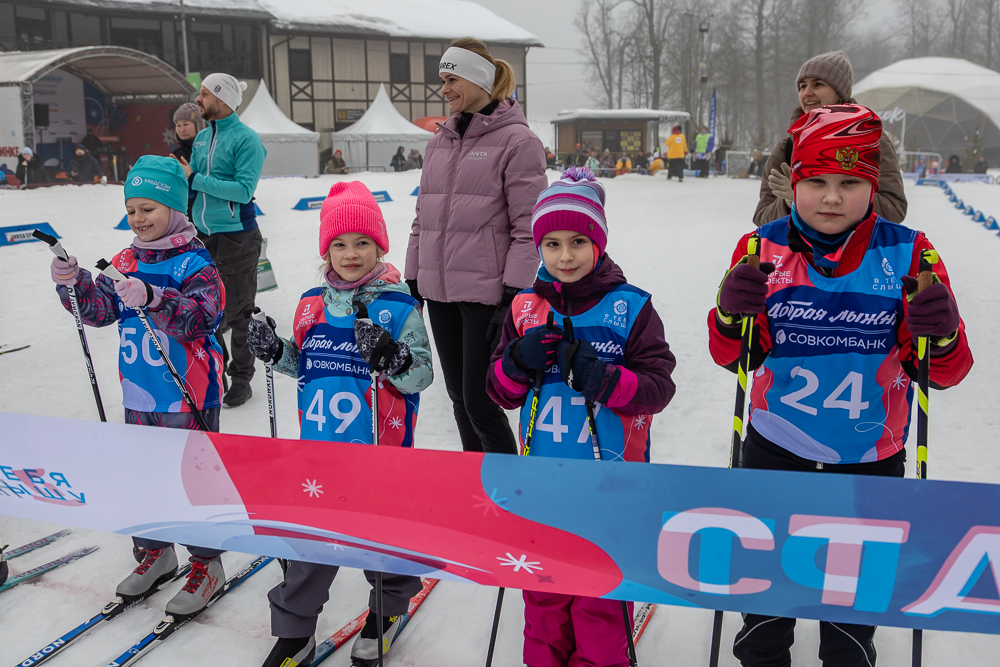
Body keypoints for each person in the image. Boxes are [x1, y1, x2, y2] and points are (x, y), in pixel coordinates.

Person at [708, 105, 973, 667]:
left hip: (871, 455)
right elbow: (732, 356)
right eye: (816, 182)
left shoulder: (910, 253)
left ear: (872, 187)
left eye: (849, 183)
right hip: (776, 448)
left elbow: (944, 371)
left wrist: (941, 330)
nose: (831, 198)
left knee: (853, 604)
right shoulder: (759, 249)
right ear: (794, 183)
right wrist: (730, 314)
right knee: (765, 593)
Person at [486, 167, 676, 667]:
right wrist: (516, 363)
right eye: (551, 244)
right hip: (542, 483)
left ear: (599, 241)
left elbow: (658, 388)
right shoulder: (525, 307)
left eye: (577, 241)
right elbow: (498, 393)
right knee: (544, 589)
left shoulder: (630, 306)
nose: (565, 256)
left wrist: (603, 380)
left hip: (611, 485)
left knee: (599, 593)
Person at [248, 182, 433, 667]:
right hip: (320, 457)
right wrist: (276, 352)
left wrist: (393, 357)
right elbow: (303, 363)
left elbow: (420, 375)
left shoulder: (399, 307)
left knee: (384, 539)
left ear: (379, 246)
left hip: (381, 454)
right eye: (339, 244)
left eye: (362, 243)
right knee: (310, 542)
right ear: (326, 248)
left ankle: (386, 610)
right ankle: (295, 630)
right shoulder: (311, 303)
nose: (351, 254)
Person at [48, 155, 228, 616]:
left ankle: (206, 564)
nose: (139, 218)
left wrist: (153, 297)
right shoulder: (125, 259)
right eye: (132, 209)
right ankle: (156, 551)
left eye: (149, 208)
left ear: (174, 207)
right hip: (140, 392)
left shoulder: (194, 261)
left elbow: (203, 318)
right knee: (142, 475)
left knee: (193, 480)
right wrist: (75, 283)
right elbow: (101, 311)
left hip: (189, 393)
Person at [405, 37, 546, 455]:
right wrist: (413, 278)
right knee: (458, 399)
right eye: (442, 80)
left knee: (481, 400)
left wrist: (513, 293)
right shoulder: (439, 141)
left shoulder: (519, 142)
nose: (444, 89)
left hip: (486, 293)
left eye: (451, 79)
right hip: (440, 290)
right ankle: (475, 479)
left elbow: (529, 228)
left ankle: (508, 486)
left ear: (478, 79)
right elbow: (423, 217)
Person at [173, 72, 267, 408]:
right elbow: (192, 186)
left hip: (237, 237)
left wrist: (195, 178)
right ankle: (218, 372)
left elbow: (243, 191)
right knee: (206, 310)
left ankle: (242, 378)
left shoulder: (247, 140)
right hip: (202, 237)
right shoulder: (200, 139)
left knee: (240, 314)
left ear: (222, 98)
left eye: (203, 94)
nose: (198, 100)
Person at [754, 50, 907, 227]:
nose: (807, 92)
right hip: (801, 254)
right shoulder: (786, 148)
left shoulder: (871, 141)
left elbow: (894, 209)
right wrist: (789, 203)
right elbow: (762, 218)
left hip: (858, 253)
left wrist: (807, 198)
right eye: (802, 86)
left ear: (840, 93)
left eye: (818, 84)